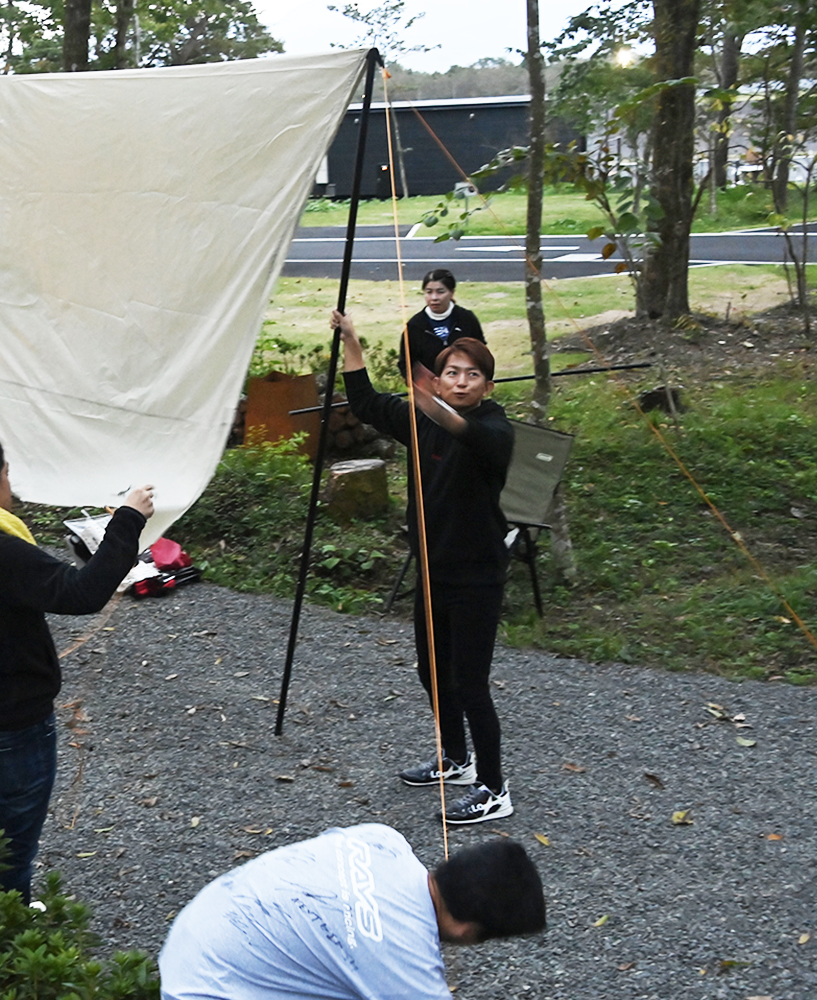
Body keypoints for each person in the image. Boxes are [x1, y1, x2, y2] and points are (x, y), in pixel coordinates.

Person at [0, 429, 154, 900]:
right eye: (9, 476)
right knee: (16, 833)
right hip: (17, 723)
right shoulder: (1, 552)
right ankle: (7, 933)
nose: (11, 487)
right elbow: (83, 593)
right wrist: (127, 520)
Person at [336, 311, 516, 825]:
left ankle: (494, 788)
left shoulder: (493, 427)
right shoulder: (420, 417)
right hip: (433, 571)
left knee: (470, 681)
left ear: (488, 385)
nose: (461, 382)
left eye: (471, 375)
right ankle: (456, 760)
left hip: (477, 575)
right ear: (439, 379)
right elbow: (366, 404)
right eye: (452, 373)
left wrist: (426, 400)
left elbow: (466, 433)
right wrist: (352, 342)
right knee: (431, 672)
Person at [158, 823, 545, 1000]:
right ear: (467, 929)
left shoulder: (383, 839)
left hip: (199, 929)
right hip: (206, 988)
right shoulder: (405, 961)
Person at [399, 268, 485, 383]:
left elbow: (481, 355)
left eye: (440, 292)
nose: (434, 298)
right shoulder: (415, 326)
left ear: (451, 293)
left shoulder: (466, 319)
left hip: (464, 387)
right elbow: (406, 363)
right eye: (429, 292)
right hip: (431, 391)